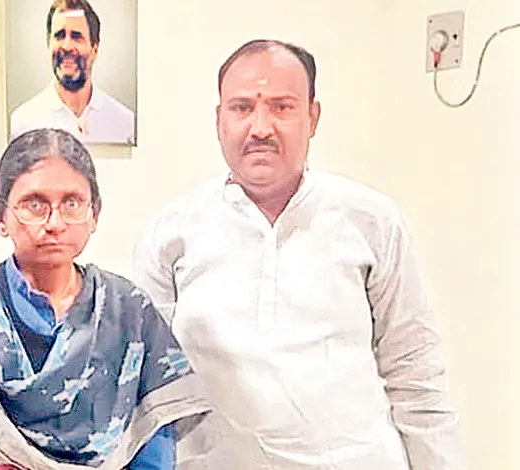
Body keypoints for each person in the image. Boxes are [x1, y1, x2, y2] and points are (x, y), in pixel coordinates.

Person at [132, 39, 467, 469]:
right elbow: (149, 391)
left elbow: (416, 375)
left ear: (313, 117)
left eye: (282, 107)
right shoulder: (170, 233)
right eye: (241, 108)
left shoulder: (371, 220)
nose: (260, 128)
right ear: (219, 120)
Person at [0, 128, 209, 469]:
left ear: (94, 214)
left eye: (72, 203)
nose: (55, 223)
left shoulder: (130, 316)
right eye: (34, 204)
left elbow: (152, 450)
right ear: (0, 217)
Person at [10, 0, 135, 145]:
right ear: (48, 44)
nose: (67, 46)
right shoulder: (22, 125)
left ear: (94, 49)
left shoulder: (124, 124)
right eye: (59, 35)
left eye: (76, 36)